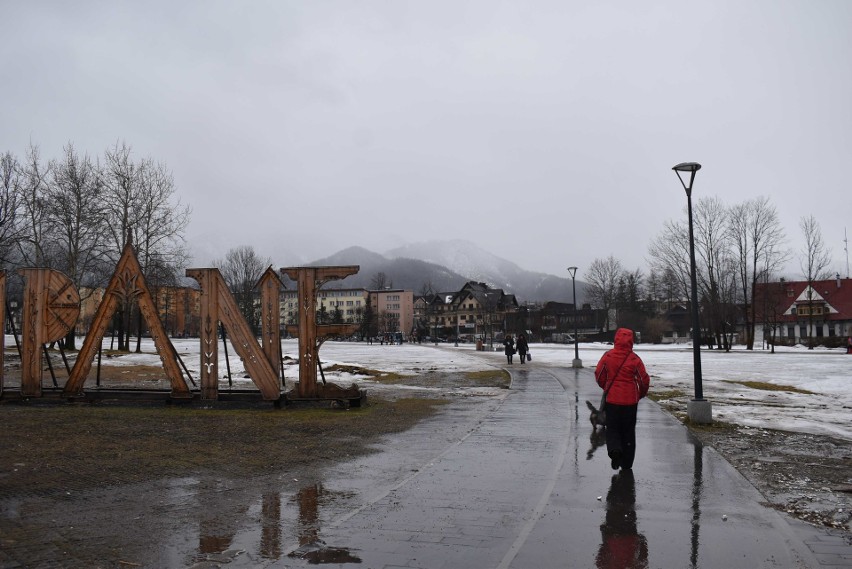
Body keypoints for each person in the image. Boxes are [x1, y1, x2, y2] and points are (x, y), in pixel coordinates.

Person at [594, 328, 650, 471]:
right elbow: (644, 380)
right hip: (630, 402)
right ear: (631, 341)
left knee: (612, 428)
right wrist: (641, 393)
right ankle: (627, 463)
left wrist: (606, 387)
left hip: (612, 400)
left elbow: (599, 374)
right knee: (628, 431)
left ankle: (615, 450)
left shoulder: (608, 356)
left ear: (616, 340)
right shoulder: (634, 359)